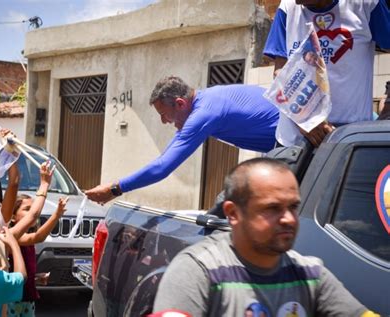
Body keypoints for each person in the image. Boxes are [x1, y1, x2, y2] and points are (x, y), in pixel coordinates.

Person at [153, 158, 378, 316]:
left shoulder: (310, 274)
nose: (289, 219)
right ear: (233, 213)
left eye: (293, 207)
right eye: (272, 208)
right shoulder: (199, 271)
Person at [86, 76, 279, 204]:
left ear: (180, 103)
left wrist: (114, 189)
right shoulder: (205, 102)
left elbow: (163, 168)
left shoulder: (204, 114)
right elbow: (164, 159)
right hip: (283, 147)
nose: (164, 122)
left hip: (297, 146)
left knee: (232, 203)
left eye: (164, 115)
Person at [264, 0, 390, 147]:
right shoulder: (287, 7)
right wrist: (306, 120)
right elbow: (280, 72)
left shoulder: (366, 4)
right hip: (294, 138)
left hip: (348, 139)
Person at [5, 161, 68, 317]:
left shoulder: (22, 238)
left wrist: (35, 279)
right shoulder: (13, 237)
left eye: (31, 209)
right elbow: (38, 236)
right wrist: (57, 215)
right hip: (14, 300)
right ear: (13, 217)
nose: (32, 212)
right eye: (26, 209)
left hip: (27, 300)